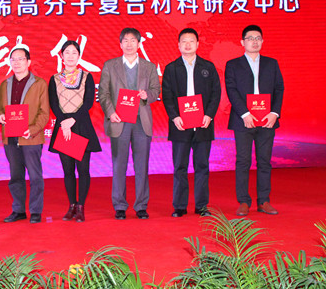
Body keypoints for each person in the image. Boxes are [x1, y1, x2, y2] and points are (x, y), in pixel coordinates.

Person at [98, 28, 161, 220]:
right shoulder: (110, 65)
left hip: (141, 122)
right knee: (119, 165)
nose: (129, 44)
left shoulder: (149, 67)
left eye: (133, 40)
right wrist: (111, 112)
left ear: (139, 44)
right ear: (120, 44)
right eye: (125, 40)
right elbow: (103, 93)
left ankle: (141, 205)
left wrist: (146, 95)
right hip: (120, 121)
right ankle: (119, 205)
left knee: (142, 166)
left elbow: (156, 90)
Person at [225, 25, 284, 217]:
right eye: (250, 38)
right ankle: (243, 201)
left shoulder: (271, 63)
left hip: (267, 119)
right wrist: (245, 114)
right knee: (243, 161)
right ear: (242, 42)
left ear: (262, 41)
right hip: (243, 120)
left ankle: (264, 201)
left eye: (258, 38)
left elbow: (279, 89)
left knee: (264, 161)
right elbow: (231, 90)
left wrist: (274, 113)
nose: (254, 41)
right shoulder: (233, 64)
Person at [161, 28, 221, 218]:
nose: (188, 45)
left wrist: (209, 115)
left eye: (191, 41)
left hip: (203, 125)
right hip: (180, 125)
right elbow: (167, 96)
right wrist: (174, 117)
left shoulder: (208, 67)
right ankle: (179, 206)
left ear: (197, 44)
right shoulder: (171, 68)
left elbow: (216, 94)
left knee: (202, 166)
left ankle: (202, 205)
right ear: (178, 45)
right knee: (180, 166)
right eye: (184, 41)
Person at [48, 40, 102, 222]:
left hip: (80, 125)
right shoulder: (55, 79)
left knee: (83, 169)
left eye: (74, 53)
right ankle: (71, 205)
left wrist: (73, 120)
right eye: (67, 52)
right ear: (61, 56)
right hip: (63, 127)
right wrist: (64, 121)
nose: (70, 56)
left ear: (79, 56)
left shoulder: (87, 77)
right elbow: (53, 103)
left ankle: (81, 207)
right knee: (68, 170)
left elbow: (88, 102)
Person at [0, 47, 50, 224]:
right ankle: (18, 210)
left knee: (35, 176)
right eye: (13, 59)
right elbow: (0, 108)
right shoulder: (5, 84)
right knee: (15, 176)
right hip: (11, 137)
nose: (17, 62)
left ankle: (35, 211)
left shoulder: (39, 84)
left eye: (21, 59)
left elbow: (44, 113)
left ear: (28, 62)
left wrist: (32, 129)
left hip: (31, 137)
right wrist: (0, 116)